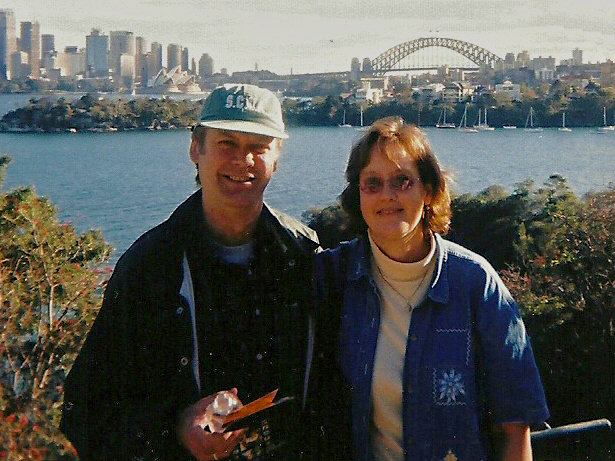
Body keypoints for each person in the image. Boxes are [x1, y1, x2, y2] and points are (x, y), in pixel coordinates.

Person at [60, 84, 320, 461]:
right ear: (196, 148)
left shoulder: (307, 255)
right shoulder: (150, 267)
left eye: (259, 146)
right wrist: (176, 430)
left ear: (277, 157)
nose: (243, 160)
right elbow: (85, 411)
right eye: (227, 143)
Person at [313, 117, 549, 460]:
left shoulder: (475, 284)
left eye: (402, 181)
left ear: (428, 190)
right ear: (358, 196)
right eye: (372, 183)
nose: (387, 195)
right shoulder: (333, 276)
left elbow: (514, 427)